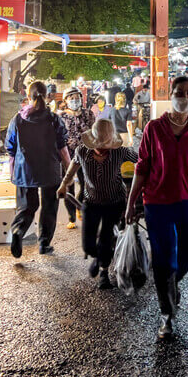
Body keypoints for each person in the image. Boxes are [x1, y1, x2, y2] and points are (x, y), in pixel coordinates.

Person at [126, 76, 188, 339]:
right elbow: (142, 166)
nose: (184, 96)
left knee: (185, 259)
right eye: (179, 92)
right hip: (157, 202)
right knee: (164, 258)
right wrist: (131, 201)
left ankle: (171, 285)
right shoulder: (154, 128)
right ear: (171, 95)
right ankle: (166, 315)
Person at [58, 119, 137, 288]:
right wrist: (64, 185)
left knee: (106, 239)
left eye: (105, 145)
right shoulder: (82, 151)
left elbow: (143, 161)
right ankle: (97, 257)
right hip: (91, 201)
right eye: (99, 144)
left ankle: (104, 272)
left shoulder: (121, 152)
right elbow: (71, 170)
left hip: (115, 202)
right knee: (88, 244)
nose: (102, 149)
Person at [6, 82, 71, 257]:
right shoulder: (54, 118)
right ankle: (44, 244)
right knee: (49, 206)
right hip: (49, 169)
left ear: (28, 96)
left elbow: (9, 146)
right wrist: (69, 170)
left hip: (24, 169)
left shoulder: (17, 119)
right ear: (47, 96)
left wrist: (15, 166)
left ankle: (18, 231)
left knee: (27, 205)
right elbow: (62, 147)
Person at [60, 86, 96, 230]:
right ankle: (71, 217)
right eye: (71, 98)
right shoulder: (61, 116)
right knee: (68, 186)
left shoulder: (88, 114)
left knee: (86, 183)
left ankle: (79, 205)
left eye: (77, 97)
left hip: (85, 154)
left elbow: (94, 132)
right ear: (66, 100)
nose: (75, 100)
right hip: (66, 155)